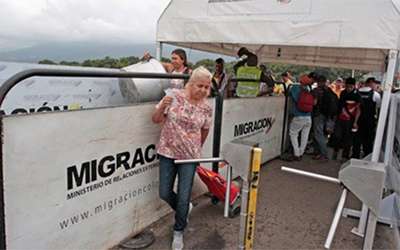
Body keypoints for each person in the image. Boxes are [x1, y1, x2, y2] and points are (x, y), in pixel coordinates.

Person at [152, 66, 213, 250]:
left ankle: (179, 230)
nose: (203, 90)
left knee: (184, 194)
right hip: (167, 151)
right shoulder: (173, 96)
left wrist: (195, 150)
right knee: (164, 192)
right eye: (200, 86)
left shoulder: (206, 108)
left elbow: (205, 130)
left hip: (189, 157)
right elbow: (155, 119)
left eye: (206, 87)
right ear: (190, 83)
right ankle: (184, 209)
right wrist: (162, 105)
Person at [329, 77, 361, 161]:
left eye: (350, 86)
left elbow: (358, 109)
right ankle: (335, 151)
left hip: (350, 120)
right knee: (337, 135)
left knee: (348, 138)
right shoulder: (343, 93)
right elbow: (339, 106)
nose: (348, 88)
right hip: (340, 118)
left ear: (354, 86)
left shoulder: (357, 95)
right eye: (347, 86)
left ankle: (345, 155)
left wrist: (355, 122)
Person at [352, 77, 381, 158]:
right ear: (371, 83)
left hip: (357, 121)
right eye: (375, 84)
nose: (376, 86)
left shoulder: (356, 92)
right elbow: (378, 108)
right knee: (368, 141)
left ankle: (355, 156)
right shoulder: (376, 95)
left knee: (356, 139)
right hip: (369, 121)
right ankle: (367, 157)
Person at [311, 75, 338, 161]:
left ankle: (324, 154)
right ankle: (318, 152)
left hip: (318, 114)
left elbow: (314, 103)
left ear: (318, 82)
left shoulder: (317, 91)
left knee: (318, 134)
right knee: (323, 134)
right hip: (327, 115)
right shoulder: (329, 90)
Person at [288, 74, 314, 161]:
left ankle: (296, 153)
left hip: (298, 116)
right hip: (308, 117)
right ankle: (301, 152)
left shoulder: (295, 88)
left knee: (293, 133)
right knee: (305, 136)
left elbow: (294, 99)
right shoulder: (308, 89)